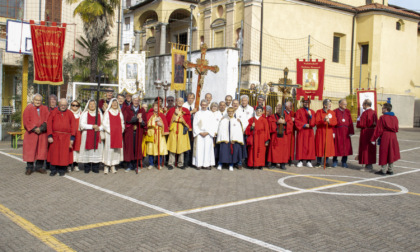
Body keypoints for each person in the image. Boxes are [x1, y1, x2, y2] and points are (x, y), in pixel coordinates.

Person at [47, 98, 76, 176]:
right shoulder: (53, 113)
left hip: (66, 137)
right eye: (62, 105)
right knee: (54, 154)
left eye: (65, 105)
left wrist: (72, 137)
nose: (63, 106)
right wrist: (49, 135)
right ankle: (53, 170)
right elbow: (49, 124)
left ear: (67, 105)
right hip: (55, 136)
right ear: (59, 104)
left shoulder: (70, 113)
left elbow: (73, 126)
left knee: (63, 154)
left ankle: (62, 170)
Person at [22, 94, 49, 175]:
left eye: (39, 100)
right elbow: (26, 120)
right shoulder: (28, 108)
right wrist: (34, 128)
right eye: (36, 100)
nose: (37, 102)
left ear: (41, 101)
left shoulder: (44, 108)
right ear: (33, 100)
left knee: (41, 150)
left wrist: (41, 128)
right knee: (30, 151)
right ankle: (29, 168)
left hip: (42, 133)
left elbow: (48, 118)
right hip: (31, 133)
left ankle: (39, 167)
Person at [371, 103, 400, 175]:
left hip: (385, 136)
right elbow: (396, 128)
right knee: (391, 152)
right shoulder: (395, 117)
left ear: (386, 109)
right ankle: (390, 169)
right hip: (393, 136)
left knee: (384, 152)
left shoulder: (382, 118)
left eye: (383, 108)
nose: (382, 109)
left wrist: (373, 138)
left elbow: (379, 130)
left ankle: (383, 170)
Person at [122, 94, 147, 172]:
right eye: (135, 100)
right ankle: (129, 165)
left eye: (137, 100)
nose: (136, 101)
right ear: (132, 101)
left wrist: (141, 121)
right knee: (129, 148)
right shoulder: (127, 109)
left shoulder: (142, 109)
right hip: (129, 131)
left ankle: (136, 165)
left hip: (138, 131)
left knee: (137, 148)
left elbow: (145, 122)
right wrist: (135, 118)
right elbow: (126, 119)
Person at [166, 97, 192, 169]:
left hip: (181, 130)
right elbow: (168, 119)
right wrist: (174, 116)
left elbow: (187, 120)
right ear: (176, 101)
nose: (180, 102)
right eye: (178, 101)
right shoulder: (171, 110)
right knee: (172, 147)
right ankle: (171, 163)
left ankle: (180, 163)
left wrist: (179, 115)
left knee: (181, 147)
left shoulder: (186, 110)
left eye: (181, 101)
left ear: (183, 102)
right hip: (173, 129)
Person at [79, 100, 103, 173]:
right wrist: (92, 126)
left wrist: (99, 128)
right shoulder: (85, 114)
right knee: (87, 151)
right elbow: (82, 125)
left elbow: (103, 124)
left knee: (96, 151)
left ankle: (95, 167)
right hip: (87, 135)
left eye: (93, 104)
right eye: (90, 104)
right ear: (88, 105)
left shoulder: (99, 114)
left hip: (97, 134)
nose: (92, 105)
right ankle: (87, 166)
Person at [102, 98, 125, 174]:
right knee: (109, 150)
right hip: (110, 135)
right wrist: (111, 130)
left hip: (117, 134)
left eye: (116, 103)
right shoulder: (107, 112)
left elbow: (122, 123)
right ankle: (106, 165)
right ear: (111, 104)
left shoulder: (119, 113)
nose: (115, 104)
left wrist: (121, 130)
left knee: (116, 150)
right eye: (113, 103)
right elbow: (104, 123)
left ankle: (113, 165)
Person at [267, 104, 293, 169]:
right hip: (275, 135)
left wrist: (285, 123)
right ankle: (273, 163)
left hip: (284, 136)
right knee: (274, 150)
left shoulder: (287, 116)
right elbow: (270, 124)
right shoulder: (272, 116)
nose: (278, 109)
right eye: (277, 108)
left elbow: (291, 124)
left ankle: (282, 164)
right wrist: (277, 122)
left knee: (283, 151)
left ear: (282, 109)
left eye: (280, 108)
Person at [193, 100, 217, 169]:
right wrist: (199, 132)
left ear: (207, 105)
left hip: (208, 134)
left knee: (207, 149)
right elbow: (195, 124)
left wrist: (208, 132)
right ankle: (199, 164)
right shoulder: (197, 113)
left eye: (205, 104)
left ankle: (207, 164)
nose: (204, 106)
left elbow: (213, 124)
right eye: (202, 104)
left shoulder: (210, 114)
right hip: (199, 134)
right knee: (199, 149)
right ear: (200, 105)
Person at [146, 102, 169, 170]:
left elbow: (165, 125)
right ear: (153, 107)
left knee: (160, 149)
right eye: (155, 106)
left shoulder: (161, 115)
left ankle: (159, 163)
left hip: (160, 134)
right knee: (151, 149)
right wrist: (154, 122)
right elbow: (147, 124)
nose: (156, 108)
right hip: (152, 133)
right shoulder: (150, 114)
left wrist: (161, 124)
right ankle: (151, 163)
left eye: (158, 106)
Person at [315, 99, 337, 167]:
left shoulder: (332, 112)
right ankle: (318, 161)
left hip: (328, 132)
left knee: (327, 146)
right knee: (320, 146)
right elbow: (316, 122)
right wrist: (323, 120)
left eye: (330, 104)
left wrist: (329, 122)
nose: (330, 105)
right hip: (321, 132)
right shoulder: (319, 112)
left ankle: (326, 161)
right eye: (329, 104)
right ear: (325, 105)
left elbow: (335, 122)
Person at [332, 99, 354, 168]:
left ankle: (344, 161)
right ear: (340, 104)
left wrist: (351, 131)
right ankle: (335, 161)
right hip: (338, 131)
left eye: (346, 104)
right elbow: (333, 122)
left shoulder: (347, 111)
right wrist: (333, 132)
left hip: (346, 132)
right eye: (344, 104)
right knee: (336, 147)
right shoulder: (335, 111)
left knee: (346, 147)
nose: (345, 105)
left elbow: (350, 121)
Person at [357, 99, 377, 171]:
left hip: (365, 132)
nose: (362, 106)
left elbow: (362, 124)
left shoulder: (365, 113)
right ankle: (369, 164)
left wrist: (358, 121)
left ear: (366, 105)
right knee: (371, 148)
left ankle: (368, 165)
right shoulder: (374, 112)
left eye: (363, 104)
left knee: (366, 148)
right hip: (372, 132)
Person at [295, 98, 316, 167]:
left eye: (307, 102)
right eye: (305, 102)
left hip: (309, 131)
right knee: (301, 145)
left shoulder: (312, 112)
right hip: (302, 131)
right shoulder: (299, 111)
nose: (306, 103)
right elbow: (297, 121)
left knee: (309, 146)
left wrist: (310, 116)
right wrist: (303, 124)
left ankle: (308, 161)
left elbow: (313, 123)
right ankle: (300, 160)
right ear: (302, 103)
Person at [182, 93, 197, 167]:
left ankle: (192, 162)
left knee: (193, 145)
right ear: (187, 98)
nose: (190, 99)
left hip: (194, 128)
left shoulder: (197, 105)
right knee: (186, 145)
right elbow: (183, 116)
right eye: (189, 98)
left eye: (192, 98)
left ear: (194, 99)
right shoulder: (184, 105)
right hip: (186, 127)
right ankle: (186, 162)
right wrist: (191, 112)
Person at [69, 100, 82, 172]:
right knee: (70, 149)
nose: (74, 107)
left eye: (76, 105)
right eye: (73, 105)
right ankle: (68, 165)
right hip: (70, 133)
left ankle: (75, 164)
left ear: (79, 106)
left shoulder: (81, 114)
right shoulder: (68, 113)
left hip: (78, 134)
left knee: (77, 149)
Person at [284, 101, 296, 166]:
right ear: (286, 106)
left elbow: (297, 121)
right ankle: (284, 159)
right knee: (285, 147)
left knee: (291, 146)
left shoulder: (293, 113)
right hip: (286, 133)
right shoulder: (283, 113)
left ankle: (290, 159)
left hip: (292, 133)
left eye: (291, 105)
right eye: (289, 105)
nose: (291, 107)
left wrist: (294, 120)